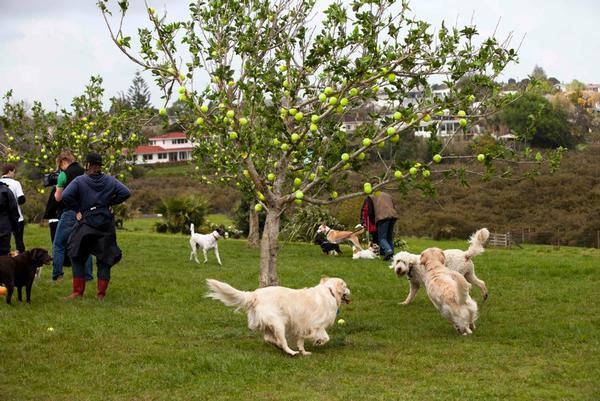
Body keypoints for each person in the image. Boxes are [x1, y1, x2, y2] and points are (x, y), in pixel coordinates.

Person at [62, 152, 130, 300]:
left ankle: (77, 292)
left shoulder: (80, 181)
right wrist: (110, 203)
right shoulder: (110, 181)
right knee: (105, 258)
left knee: (77, 255)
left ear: (87, 165)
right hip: (105, 222)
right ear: (100, 165)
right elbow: (125, 192)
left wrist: (78, 209)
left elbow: (66, 196)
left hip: (86, 222)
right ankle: (101, 294)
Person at [51, 150, 93, 282]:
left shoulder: (64, 174)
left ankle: (58, 274)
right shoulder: (85, 173)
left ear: (63, 162)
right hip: (86, 212)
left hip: (70, 212)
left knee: (58, 244)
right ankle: (88, 276)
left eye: (60, 165)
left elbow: (58, 198)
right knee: (85, 245)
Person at [0, 163, 26, 253]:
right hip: (16, 217)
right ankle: (22, 260)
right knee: (19, 241)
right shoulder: (16, 183)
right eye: (14, 172)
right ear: (10, 172)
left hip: (2, 219)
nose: (14, 174)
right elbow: (21, 199)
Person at [371, 191, 398, 261]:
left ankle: (388, 250)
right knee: (389, 237)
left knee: (382, 238)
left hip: (382, 217)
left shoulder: (373, 196)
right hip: (393, 216)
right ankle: (392, 256)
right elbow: (393, 206)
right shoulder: (388, 195)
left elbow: (371, 210)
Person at [0, 180, 19, 256]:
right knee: (3, 256)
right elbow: (14, 211)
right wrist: (14, 227)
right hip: (3, 228)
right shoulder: (5, 190)